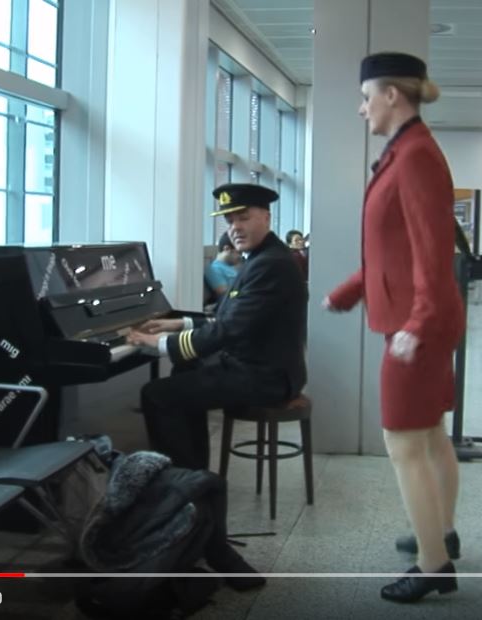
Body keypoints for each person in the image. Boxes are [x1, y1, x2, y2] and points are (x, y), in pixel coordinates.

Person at [323, 51, 464, 603]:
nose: (362, 109)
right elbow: (393, 250)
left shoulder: (416, 156)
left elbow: (433, 251)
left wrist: (419, 322)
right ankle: (442, 532)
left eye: (366, 98)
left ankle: (433, 564)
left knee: (401, 440)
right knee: (428, 434)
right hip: (418, 316)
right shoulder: (405, 152)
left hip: (418, 322)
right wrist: (349, 291)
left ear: (390, 95)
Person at [127, 183, 307, 472]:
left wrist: (160, 343)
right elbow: (234, 317)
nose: (235, 228)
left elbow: (231, 328)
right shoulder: (261, 257)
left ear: (266, 218)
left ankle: (183, 483)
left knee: (157, 395)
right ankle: (194, 471)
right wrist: (180, 323)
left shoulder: (270, 264)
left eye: (243, 218)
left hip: (265, 377)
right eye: (230, 220)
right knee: (186, 369)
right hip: (260, 366)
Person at [204, 231, 241, 301]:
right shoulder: (213, 269)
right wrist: (244, 292)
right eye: (239, 253)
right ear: (227, 249)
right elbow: (226, 295)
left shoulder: (232, 268)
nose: (240, 257)